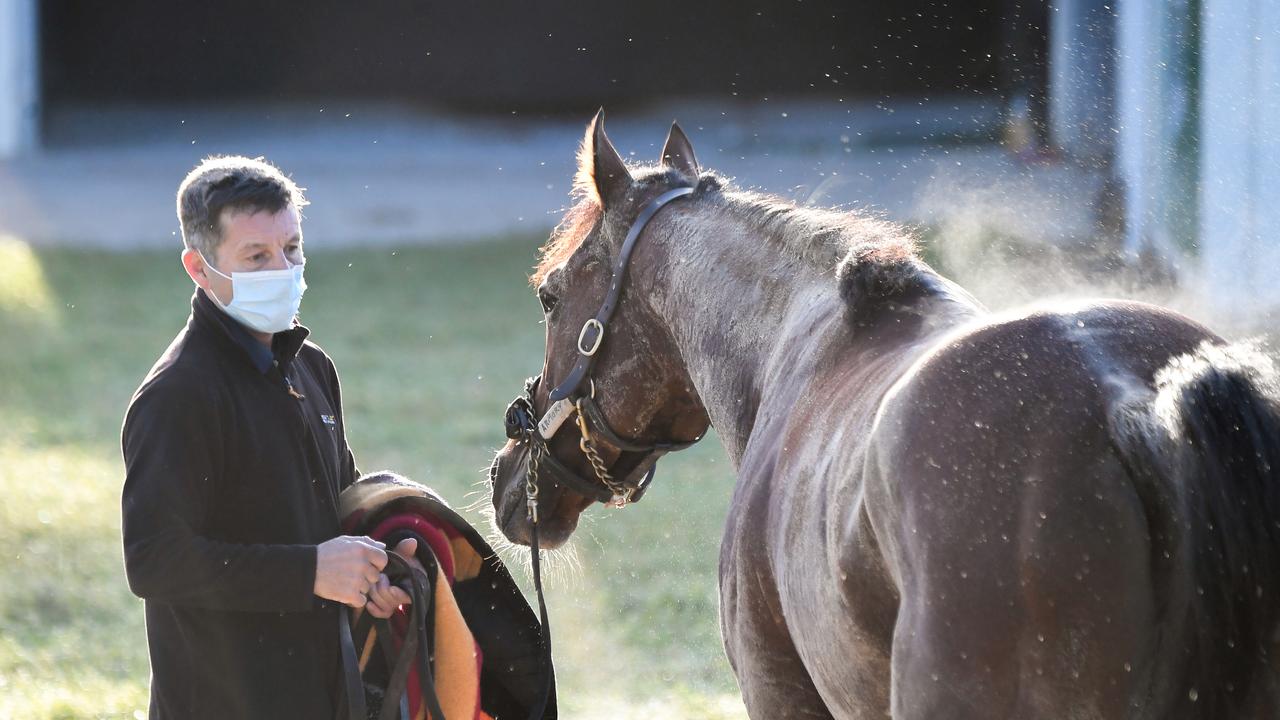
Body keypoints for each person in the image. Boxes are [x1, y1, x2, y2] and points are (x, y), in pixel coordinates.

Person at [121, 155, 417, 719]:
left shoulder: (314, 368)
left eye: (292, 249)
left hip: (327, 696)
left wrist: (379, 567)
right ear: (199, 268)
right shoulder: (176, 396)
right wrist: (310, 572)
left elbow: (342, 509)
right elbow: (154, 559)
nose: (283, 269)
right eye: (256, 256)